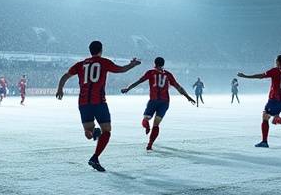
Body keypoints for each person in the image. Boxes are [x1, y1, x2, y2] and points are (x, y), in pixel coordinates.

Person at [56, 40, 141, 172]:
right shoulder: (104, 62)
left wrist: (60, 89)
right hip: (99, 102)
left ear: (90, 50)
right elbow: (120, 69)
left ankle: (93, 132)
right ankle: (95, 157)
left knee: (88, 133)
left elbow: (65, 76)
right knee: (106, 131)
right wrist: (132, 65)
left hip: (83, 103)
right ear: (101, 50)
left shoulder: (80, 64)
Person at [120, 57, 195, 151]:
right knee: (156, 124)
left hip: (153, 100)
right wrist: (188, 97)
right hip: (164, 102)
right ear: (163, 64)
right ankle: (150, 144)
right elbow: (178, 87)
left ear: (154, 63)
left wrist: (128, 88)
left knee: (146, 118)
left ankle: (146, 124)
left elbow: (139, 82)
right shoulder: (168, 74)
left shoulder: (150, 72)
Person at [237, 54, 281, 147]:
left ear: (277, 61)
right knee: (274, 120)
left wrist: (245, 76)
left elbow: (260, 76)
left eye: (275, 61)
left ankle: (264, 142)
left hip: (274, 99)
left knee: (265, 117)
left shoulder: (275, 71)